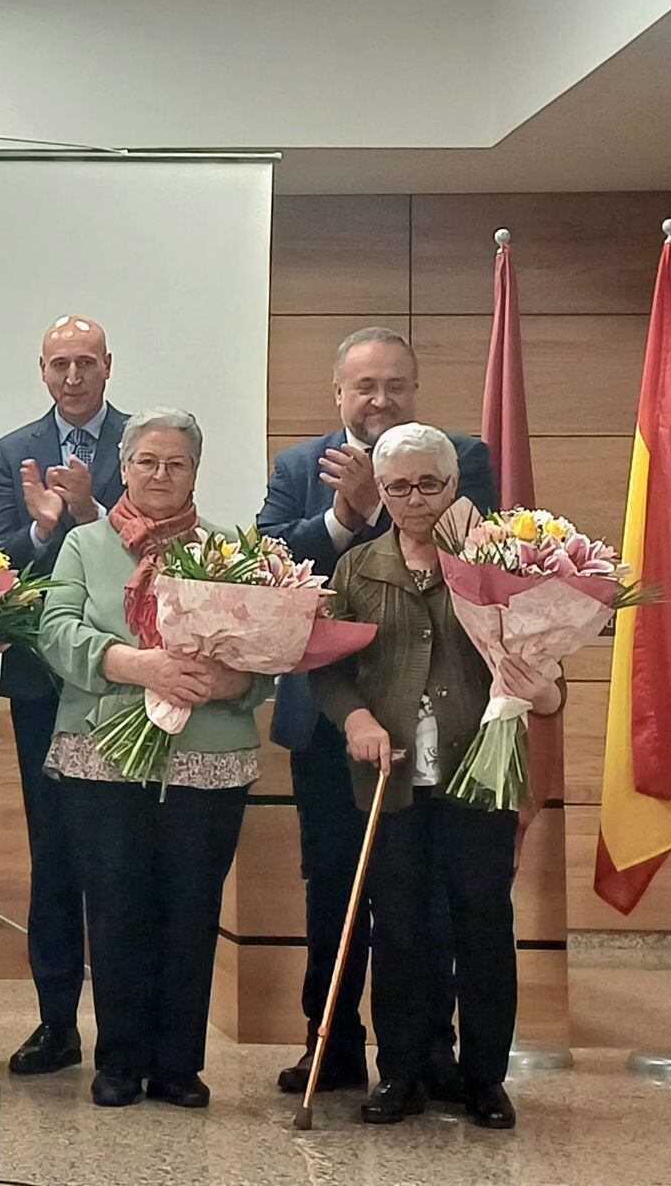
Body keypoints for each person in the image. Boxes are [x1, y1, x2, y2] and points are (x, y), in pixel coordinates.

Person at [258, 326, 496, 1098]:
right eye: (365, 386)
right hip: (334, 717)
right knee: (334, 887)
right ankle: (330, 1044)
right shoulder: (300, 465)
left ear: (415, 390)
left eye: (395, 385)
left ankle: (428, 1052)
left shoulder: (466, 458)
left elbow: (485, 566)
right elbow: (273, 570)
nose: (381, 399)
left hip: (439, 726)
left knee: (426, 894)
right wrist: (345, 517)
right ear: (338, 394)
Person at [312, 423, 554, 1131]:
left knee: (482, 924)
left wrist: (542, 688)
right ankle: (405, 1072)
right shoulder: (358, 568)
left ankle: (483, 1077)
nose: (415, 500)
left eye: (430, 484)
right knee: (401, 930)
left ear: (455, 484)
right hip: (390, 783)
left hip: (479, 775)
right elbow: (328, 669)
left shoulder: (499, 561)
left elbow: (544, 666)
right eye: (398, 487)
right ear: (379, 491)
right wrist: (355, 718)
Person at [35, 409, 270, 1110]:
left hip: (209, 756)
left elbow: (268, 651)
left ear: (195, 472)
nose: (160, 475)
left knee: (191, 909)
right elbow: (57, 632)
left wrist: (232, 680)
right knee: (114, 909)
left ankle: (178, 1066)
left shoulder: (232, 548)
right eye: (147, 463)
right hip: (103, 751)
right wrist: (140, 666)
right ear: (124, 468)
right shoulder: (84, 544)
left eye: (176, 464)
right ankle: (119, 1060)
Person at [0, 315, 130, 1076]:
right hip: (45, 684)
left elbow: (163, 541)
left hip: (133, 691)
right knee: (56, 857)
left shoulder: (145, 443)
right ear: (42, 371)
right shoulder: (16, 451)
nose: (72, 377)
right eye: (58, 365)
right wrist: (44, 535)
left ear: (108, 366)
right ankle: (55, 1025)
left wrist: (88, 519)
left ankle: (126, 1034)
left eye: (85, 363)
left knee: (121, 863)